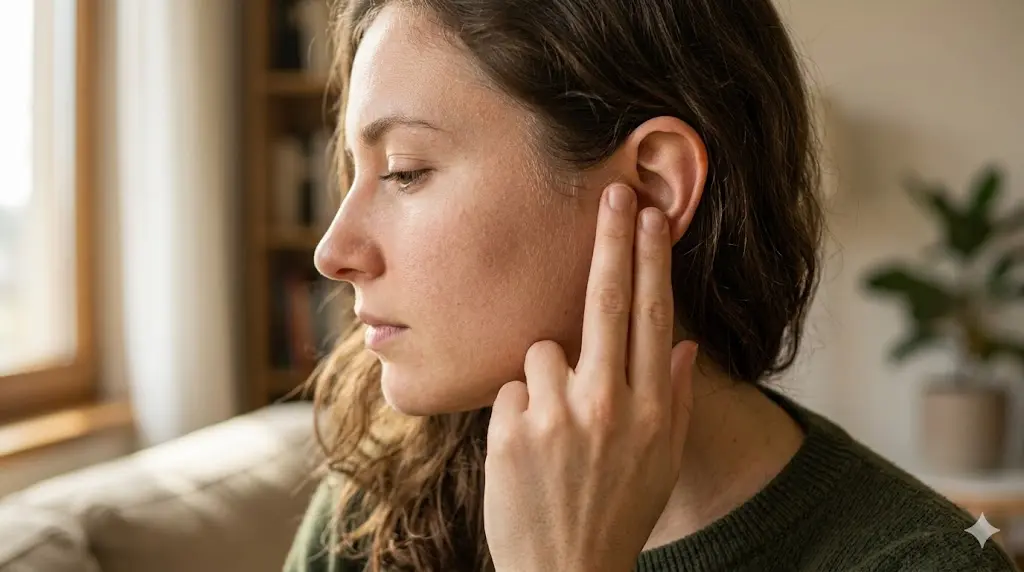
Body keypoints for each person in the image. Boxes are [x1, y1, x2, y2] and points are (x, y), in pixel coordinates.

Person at [284, 0, 1020, 571]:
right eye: (355, 171)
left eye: (406, 170)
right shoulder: (379, 513)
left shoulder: (924, 561)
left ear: (652, 185)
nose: (332, 251)